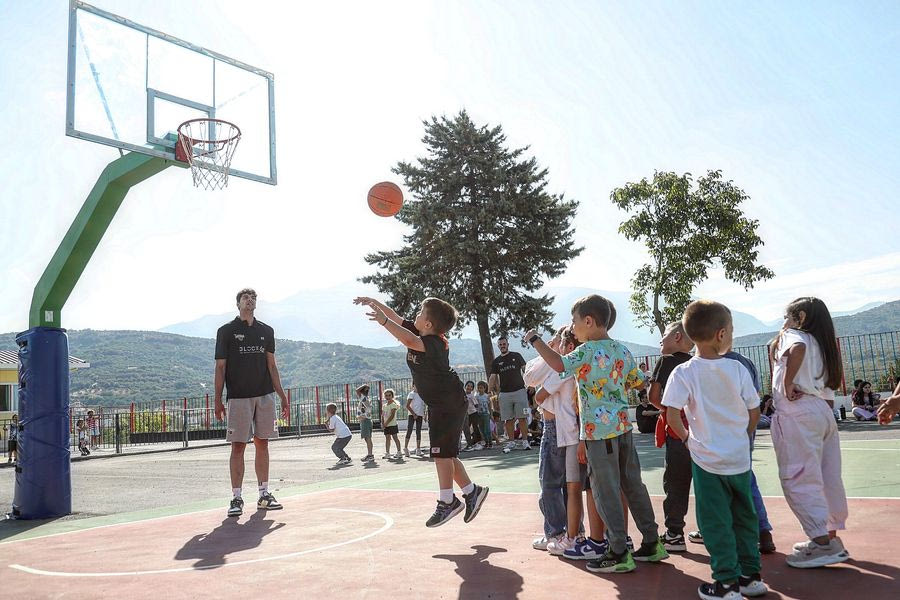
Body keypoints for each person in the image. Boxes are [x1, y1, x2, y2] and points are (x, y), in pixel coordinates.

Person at [525, 294, 667, 574]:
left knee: (605, 491)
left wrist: (535, 340)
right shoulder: (622, 351)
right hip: (624, 429)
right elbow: (637, 381)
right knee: (633, 486)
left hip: (598, 433)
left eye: (575, 322)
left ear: (589, 322)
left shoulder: (587, 351)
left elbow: (558, 364)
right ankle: (652, 542)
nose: (573, 328)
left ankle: (618, 552)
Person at [662, 300, 766, 600]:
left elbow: (671, 414)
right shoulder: (737, 368)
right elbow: (754, 410)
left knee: (715, 522)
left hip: (706, 459)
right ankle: (750, 577)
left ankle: (726, 583)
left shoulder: (683, 372)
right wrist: (742, 437)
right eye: (731, 329)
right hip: (738, 459)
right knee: (744, 516)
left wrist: (686, 439)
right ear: (721, 334)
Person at [354, 296, 489, 527]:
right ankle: (471, 491)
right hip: (440, 403)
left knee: (441, 454)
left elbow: (405, 337)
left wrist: (384, 321)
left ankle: (448, 502)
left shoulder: (435, 343)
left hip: (449, 402)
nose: (415, 315)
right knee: (445, 454)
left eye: (420, 312)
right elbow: (397, 319)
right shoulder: (422, 333)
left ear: (428, 324)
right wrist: (375, 303)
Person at [769, 296, 849, 568]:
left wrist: (788, 382)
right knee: (827, 476)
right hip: (820, 411)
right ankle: (829, 536)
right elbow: (827, 395)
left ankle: (822, 543)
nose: (784, 322)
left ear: (800, 317)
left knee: (798, 477)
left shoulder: (795, 336)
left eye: (787, 316)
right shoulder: (823, 344)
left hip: (797, 413)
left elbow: (797, 348)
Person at [214, 288, 289, 518]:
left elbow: (272, 365)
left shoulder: (266, 331)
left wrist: (282, 396)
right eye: (246, 298)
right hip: (238, 397)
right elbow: (220, 367)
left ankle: (264, 494)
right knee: (238, 446)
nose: (250, 300)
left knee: (262, 443)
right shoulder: (226, 331)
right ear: (238, 304)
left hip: (264, 395)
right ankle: (236, 498)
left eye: (253, 298)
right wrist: (217, 399)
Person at [648, 320, 695, 553]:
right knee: (706, 483)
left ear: (677, 337)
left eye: (664, 335)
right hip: (703, 432)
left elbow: (653, 395)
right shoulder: (698, 362)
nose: (660, 339)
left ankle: (675, 533)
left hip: (678, 432)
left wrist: (667, 409)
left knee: (676, 483)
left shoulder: (667, 361)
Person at [524, 327, 568, 552]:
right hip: (558, 426)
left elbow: (537, 391)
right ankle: (568, 532)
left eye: (557, 339)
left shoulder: (562, 365)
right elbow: (529, 377)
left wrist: (546, 348)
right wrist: (547, 350)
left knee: (550, 483)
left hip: (557, 427)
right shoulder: (555, 362)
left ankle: (557, 533)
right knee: (564, 484)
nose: (551, 341)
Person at [489, 336, 531, 451]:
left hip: (520, 391)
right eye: (500, 344)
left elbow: (525, 370)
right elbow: (493, 377)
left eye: (504, 344)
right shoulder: (496, 361)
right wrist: (489, 391)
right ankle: (511, 442)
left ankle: (525, 442)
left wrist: (531, 383)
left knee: (522, 418)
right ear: (498, 346)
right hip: (505, 394)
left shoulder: (516, 356)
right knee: (508, 420)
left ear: (508, 344)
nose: (502, 346)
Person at [405, 384, 426, 457]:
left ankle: (418, 448)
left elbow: (423, 405)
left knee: (418, 431)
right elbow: (407, 405)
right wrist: (413, 414)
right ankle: (406, 448)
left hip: (419, 415)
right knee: (409, 430)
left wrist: (424, 415)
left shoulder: (422, 394)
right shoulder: (412, 394)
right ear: (413, 386)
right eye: (415, 385)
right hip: (412, 415)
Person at [381, 389, 403, 459]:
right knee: (387, 438)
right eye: (386, 395)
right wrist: (383, 423)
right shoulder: (384, 405)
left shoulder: (393, 405)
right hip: (386, 425)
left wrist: (386, 423)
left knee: (395, 438)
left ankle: (399, 452)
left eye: (389, 395)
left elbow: (392, 415)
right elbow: (383, 415)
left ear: (392, 396)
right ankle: (387, 453)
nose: (388, 397)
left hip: (392, 424)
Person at [356, 384, 374, 462]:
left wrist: (364, 385)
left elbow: (357, 390)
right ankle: (369, 454)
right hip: (365, 420)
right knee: (367, 438)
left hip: (365, 420)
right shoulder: (365, 399)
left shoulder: (363, 398)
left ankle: (370, 455)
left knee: (368, 438)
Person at [475, 381, 492, 448]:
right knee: (481, 429)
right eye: (478, 388)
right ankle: (486, 442)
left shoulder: (486, 396)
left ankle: (490, 442)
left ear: (484, 388)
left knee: (487, 429)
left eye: (481, 388)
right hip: (479, 414)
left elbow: (489, 405)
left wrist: (491, 413)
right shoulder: (476, 396)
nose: (480, 389)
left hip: (486, 414)